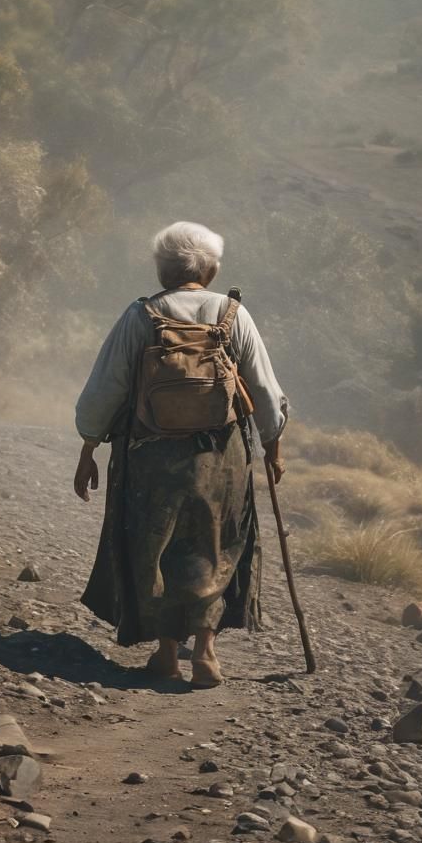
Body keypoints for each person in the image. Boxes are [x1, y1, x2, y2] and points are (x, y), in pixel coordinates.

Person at [74, 221, 288, 688]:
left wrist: (88, 444)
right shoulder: (234, 315)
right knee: (216, 542)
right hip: (220, 454)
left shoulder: (140, 315)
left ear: (162, 270)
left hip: (149, 452)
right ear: (210, 270)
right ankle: (206, 651)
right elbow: (266, 392)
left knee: (156, 543)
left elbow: (104, 389)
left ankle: (167, 653)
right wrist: (273, 445)